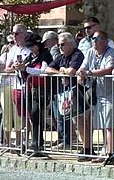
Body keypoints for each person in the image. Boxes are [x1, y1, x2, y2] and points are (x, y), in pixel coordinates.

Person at [45, 32, 93, 161]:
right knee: (78, 121)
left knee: (83, 121)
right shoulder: (62, 57)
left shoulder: (77, 54)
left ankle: (88, 148)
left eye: (62, 44)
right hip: (70, 93)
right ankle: (86, 147)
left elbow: (72, 71)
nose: (60, 47)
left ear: (71, 43)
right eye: (59, 45)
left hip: (81, 91)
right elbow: (48, 69)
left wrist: (63, 71)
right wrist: (61, 72)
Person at [76, 30, 114, 165]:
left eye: (96, 39)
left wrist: (89, 73)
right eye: (92, 39)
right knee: (104, 125)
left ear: (104, 40)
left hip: (110, 93)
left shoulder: (110, 52)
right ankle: (105, 152)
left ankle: (110, 154)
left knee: (110, 126)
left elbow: (108, 69)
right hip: (98, 92)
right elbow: (83, 67)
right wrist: (81, 73)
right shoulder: (91, 52)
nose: (94, 42)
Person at [17, 33, 53, 152]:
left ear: (38, 44)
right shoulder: (30, 57)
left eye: (32, 46)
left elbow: (43, 71)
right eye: (29, 47)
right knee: (32, 116)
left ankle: (37, 142)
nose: (31, 49)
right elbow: (24, 71)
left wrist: (25, 68)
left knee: (36, 113)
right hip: (31, 89)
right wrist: (19, 68)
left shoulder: (45, 55)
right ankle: (37, 142)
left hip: (42, 89)